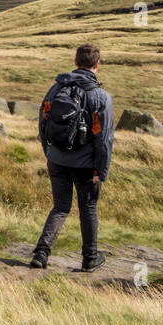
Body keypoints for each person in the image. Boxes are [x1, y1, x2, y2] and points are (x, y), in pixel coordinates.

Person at [31, 44, 114, 271]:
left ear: (75, 62)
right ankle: (90, 259)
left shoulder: (56, 88)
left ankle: (41, 253)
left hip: (57, 158)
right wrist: (101, 171)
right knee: (88, 208)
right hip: (86, 165)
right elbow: (104, 139)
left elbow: (43, 120)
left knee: (60, 207)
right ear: (97, 65)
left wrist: (48, 151)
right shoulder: (101, 97)